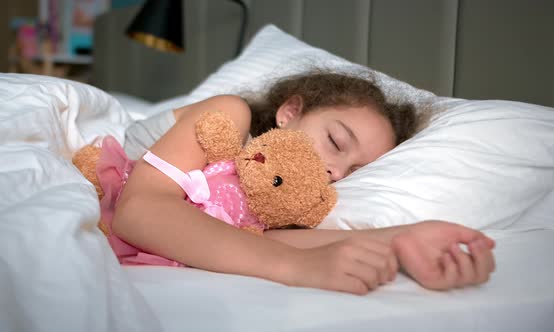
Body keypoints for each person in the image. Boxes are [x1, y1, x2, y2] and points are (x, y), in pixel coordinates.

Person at [110, 71, 495, 295]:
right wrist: (299, 267)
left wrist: (405, 238)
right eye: (336, 142)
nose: (337, 173)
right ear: (290, 112)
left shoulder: (277, 193)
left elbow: (248, 239)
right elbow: (141, 210)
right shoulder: (229, 116)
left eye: (356, 172)